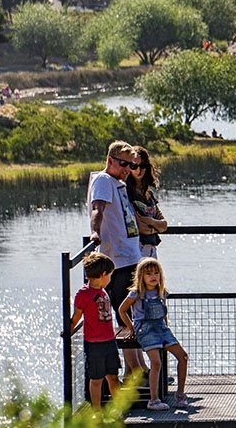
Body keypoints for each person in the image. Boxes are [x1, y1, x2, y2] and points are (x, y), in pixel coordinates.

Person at [88, 140, 146, 374]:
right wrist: (95, 232)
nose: (127, 169)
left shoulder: (117, 183)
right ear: (110, 160)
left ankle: (141, 368)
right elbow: (97, 208)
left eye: (131, 164)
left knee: (135, 314)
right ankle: (134, 372)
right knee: (126, 318)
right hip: (118, 260)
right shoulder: (103, 180)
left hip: (132, 257)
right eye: (123, 163)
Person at [118, 257, 190, 411]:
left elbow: (163, 313)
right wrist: (131, 328)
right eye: (149, 274)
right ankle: (154, 400)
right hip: (145, 328)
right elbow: (122, 310)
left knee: (183, 356)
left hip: (161, 328)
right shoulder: (136, 293)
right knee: (156, 362)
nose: (153, 277)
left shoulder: (161, 292)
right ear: (141, 276)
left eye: (156, 273)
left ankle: (180, 394)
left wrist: (166, 327)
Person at [70, 252, 122, 409]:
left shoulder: (103, 290)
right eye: (110, 275)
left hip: (109, 340)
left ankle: (119, 408)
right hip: (94, 344)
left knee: (113, 376)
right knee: (96, 378)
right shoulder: (83, 294)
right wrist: (68, 330)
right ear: (103, 274)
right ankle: (97, 411)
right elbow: (76, 316)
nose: (110, 279)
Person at [127, 145, 168, 259]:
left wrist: (149, 221)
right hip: (137, 249)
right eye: (134, 166)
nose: (139, 170)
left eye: (143, 166)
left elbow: (164, 225)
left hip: (152, 249)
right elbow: (140, 227)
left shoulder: (148, 194)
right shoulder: (127, 192)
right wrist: (155, 227)